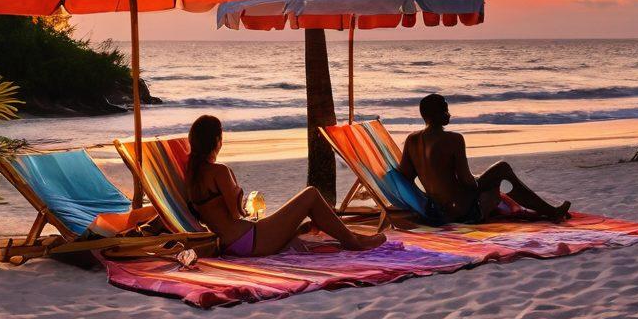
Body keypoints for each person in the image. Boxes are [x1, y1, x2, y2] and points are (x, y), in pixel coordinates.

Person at [185, 115, 386, 256]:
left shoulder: (192, 174)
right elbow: (236, 213)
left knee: (304, 217)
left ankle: (352, 236)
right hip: (248, 240)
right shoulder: (218, 171)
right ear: (217, 140)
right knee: (311, 195)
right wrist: (237, 191)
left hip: (232, 243)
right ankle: (353, 242)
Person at [398, 93, 571, 224]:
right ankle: (550, 211)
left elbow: (405, 177)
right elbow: (467, 182)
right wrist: (482, 180)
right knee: (502, 168)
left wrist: (427, 198)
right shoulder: (453, 139)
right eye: (445, 109)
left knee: (494, 179)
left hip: (439, 209)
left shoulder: (412, 140)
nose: (449, 113)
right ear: (435, 114)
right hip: (463, 212)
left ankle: (544, 209)